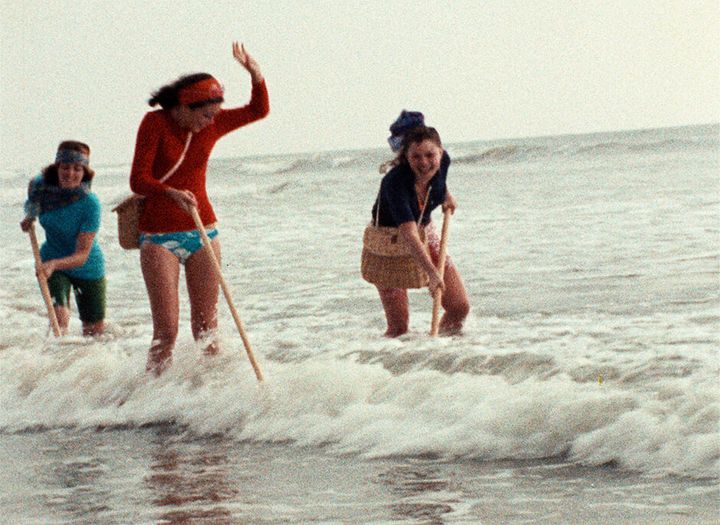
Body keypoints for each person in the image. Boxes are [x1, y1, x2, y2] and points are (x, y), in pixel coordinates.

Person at [129, 42, 269, 375]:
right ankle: (151, 395)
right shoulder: (155, 123)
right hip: (159, 237)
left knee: (207, 331)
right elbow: (138, 179)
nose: (211, 122)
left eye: (215, 115)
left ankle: (209, 393)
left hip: (203, 230)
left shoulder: (213, 123)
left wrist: (256, 74)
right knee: (166, 333)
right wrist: (170, 192)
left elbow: (258, 110)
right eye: (206, 115)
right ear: (185, 106)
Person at [371, 113, 470, 336]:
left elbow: (437, 179)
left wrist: (445, 195)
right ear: (406, 156)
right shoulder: (395, 182)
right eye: (416, 157)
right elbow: (409, 234)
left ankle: (439, 351)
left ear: (441, 152)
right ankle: (394, 358)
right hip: (390, 242)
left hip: (425, 231)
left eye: (430, 155)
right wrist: (433, 274)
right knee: (399, 328)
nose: (424, 163)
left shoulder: (443, 161)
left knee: (459, 307)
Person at [20, 141, 106, 336]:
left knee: (94, 335)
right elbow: (32, 205)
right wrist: (29, 218)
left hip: (87, 267)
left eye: (77, 168)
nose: (70, 173)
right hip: (50, 260)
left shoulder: (90, 203)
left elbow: (82, 255)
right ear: (57, 167)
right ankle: (56, 356)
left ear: (85, 172)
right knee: (59, 323)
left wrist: (54, 264)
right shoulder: (40, 188)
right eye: (65, 167)